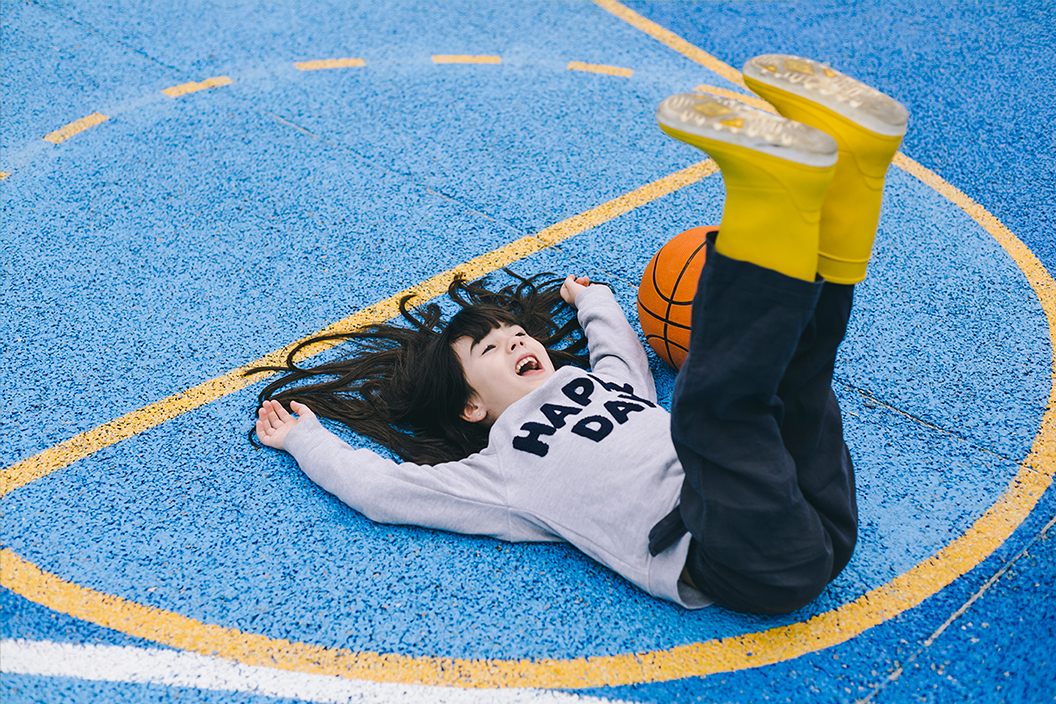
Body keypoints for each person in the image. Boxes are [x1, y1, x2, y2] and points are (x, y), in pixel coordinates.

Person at [253, 54, 908, 614]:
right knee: (712, 410)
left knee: (802, 369)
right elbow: (383, 491)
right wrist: (306, 439)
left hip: (809, 508)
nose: (515, 342)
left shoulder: (599, 384)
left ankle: (855, 166)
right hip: (739, 558)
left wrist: (594, 302)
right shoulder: (500, 472)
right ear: (471, 405)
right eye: (490, 349)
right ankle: (766, 196)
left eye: (515, 334)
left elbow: (620, 351)